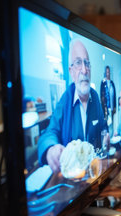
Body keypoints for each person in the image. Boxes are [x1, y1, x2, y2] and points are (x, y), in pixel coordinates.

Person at [38, 39, 107, 172]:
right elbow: (49, 133)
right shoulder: (65, 100)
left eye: (87, 63)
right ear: (71, 71)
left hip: (95, 173)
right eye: (78, 63)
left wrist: (107, 135)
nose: (84, 69)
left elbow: (103, 126)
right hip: (73, 178)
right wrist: (50, 149)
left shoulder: (96, 97)